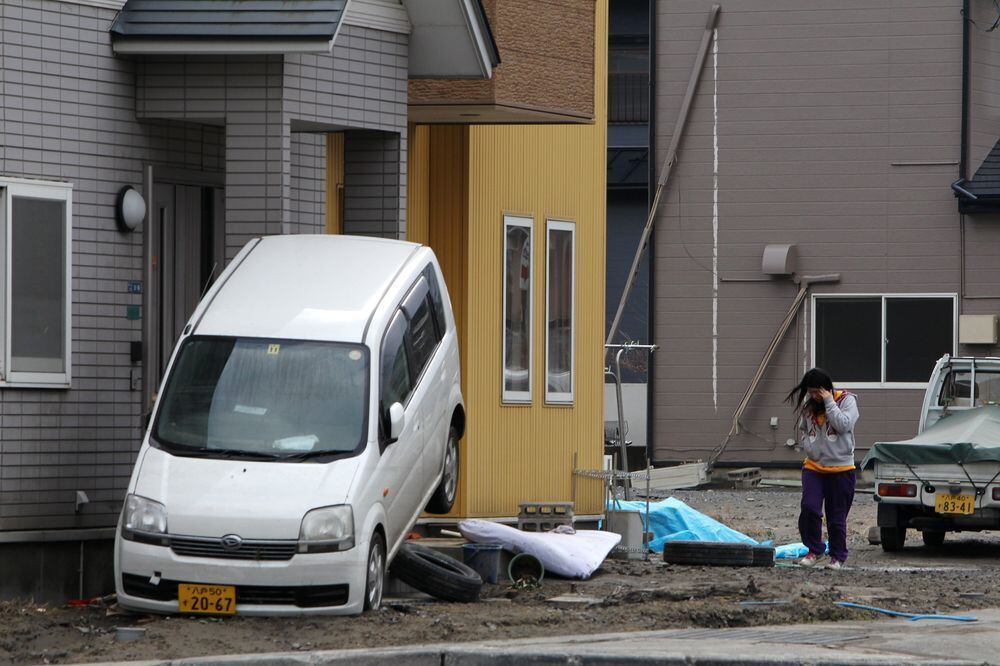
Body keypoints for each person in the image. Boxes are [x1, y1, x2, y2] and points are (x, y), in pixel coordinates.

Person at [786, 367, 859, 570]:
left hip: (842, 468)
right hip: (814, 467)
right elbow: (805, 429)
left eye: (817, 392)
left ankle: (837, 556)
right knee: (809, 507)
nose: (814, 396)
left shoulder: (847, 401)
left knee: (836, 517)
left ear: (826, 389)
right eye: (811, 392)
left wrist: (829, 402)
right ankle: (814, 549)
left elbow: (843, 425)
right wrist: (808, 445)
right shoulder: (809, 407)